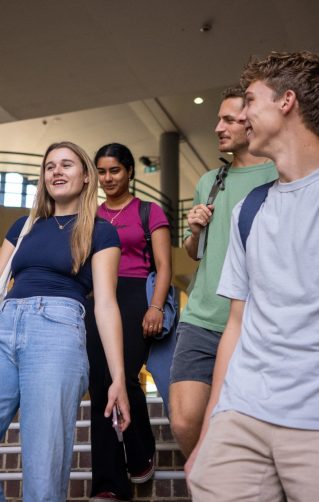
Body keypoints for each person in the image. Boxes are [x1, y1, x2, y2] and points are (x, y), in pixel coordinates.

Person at [187, 50, 319, 502]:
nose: (241, 116)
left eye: (249, 100)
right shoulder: (250, 209)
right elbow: (237, 325)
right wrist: (209, 431)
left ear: (286, 102)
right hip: (242, 415)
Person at [0, 141, 130, 502]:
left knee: (44, 470)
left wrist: (118, 379)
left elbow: (106, 305)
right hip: (2, 327)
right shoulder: (23, 226)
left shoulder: (100, 232)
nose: (57, 171)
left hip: (57, 330)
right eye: (50, 166)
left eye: (66, 165)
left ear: (85, 177)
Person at [169, 86, 277, 458]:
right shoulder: (210, 181)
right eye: (219, 118)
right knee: (184, 420)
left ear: (252, 125)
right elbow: (193, 252)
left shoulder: (279, 174)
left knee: (243, 419)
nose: (218, 127)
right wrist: (196, 229)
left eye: (229, 120)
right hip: (201, 318)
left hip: (253, 321)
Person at [86, 143, 172, 502]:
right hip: (99, 297)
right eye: (102, 172)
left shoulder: (149, 211)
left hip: (138, 297)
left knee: (124, 376)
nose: (108, 178)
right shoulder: (90, 214)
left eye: (115, 171)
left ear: (130, 172)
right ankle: (108, 483)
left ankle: (139, 451)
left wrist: (155, 307)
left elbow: (165, 266)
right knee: (99, 381)